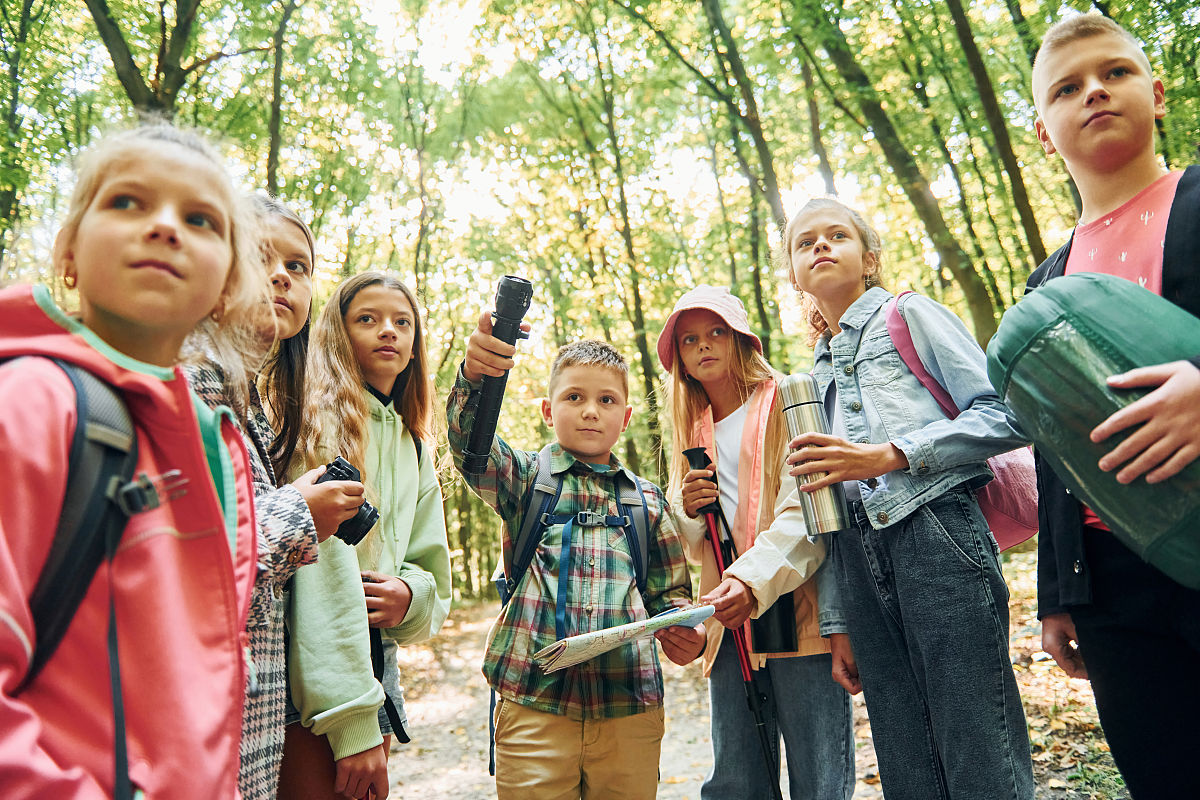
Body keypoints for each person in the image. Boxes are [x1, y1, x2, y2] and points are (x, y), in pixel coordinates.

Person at [0, 123, 263, 797]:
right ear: (68, 251)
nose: (165, 227)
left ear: (231, 280)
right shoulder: (31, 402)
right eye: (127, 203)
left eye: (200, 218)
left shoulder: (211, 440)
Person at [780, 196, 1035, 799]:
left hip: (938, 536)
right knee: (905, 761)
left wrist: (891, 453)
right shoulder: (812, 377)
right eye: (804, 242)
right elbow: (832, 509)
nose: (820, 246)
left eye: (836, 235)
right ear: (794, 273)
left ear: (869, 258)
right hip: (862, 567)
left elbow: (1008, 413)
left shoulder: (910, 314)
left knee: (978, 746)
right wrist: (839, 621)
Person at [1025, 14, 1200, 797]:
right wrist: (1059, 595)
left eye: (1115, 73)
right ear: (1042, 130)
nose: (1094, 91)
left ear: (1157, 94)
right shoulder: (1046, 283)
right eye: (1067, 87)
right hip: (1112, 587)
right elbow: (1055, 448)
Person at [448, 322, 702, 800]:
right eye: (574, 398)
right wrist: (476, 378)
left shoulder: (646, 502)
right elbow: (471, 449)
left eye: (607, 400)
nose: (590, 411)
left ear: (625, 418)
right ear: (548, 410)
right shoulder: (526, 481)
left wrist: (686, 632)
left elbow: (670, 596)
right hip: (533, 703)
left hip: (629, 708)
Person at [182, 195, 366, 799]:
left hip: (249, 727)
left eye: (300, 265)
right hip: (204, 730)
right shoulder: (193, 378)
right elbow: (189, 560)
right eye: (263, 257)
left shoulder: (250, 397)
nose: (284, 276)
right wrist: (300, 514)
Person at [658, 285, 853, 799]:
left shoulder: (792, 396)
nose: (703, 346)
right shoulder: (689, 430)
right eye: (689, 340)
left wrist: (751, 579)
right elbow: (685, 543)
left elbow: (808, 511)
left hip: (800, 616)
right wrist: (688, 508)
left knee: (820, 777)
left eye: (716, 332)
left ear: (742, 338)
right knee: (737, 779)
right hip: (728, 625)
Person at [279, 271, 453, 800]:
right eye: (368, 319)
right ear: (338, 332)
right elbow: (319, 578)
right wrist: (353, 721)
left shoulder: (414, 442)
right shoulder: (317, 424)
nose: (389, 332)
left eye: (403, 323)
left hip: (375, 663)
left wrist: (409, 596)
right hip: (314, 673)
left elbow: (430, 564)